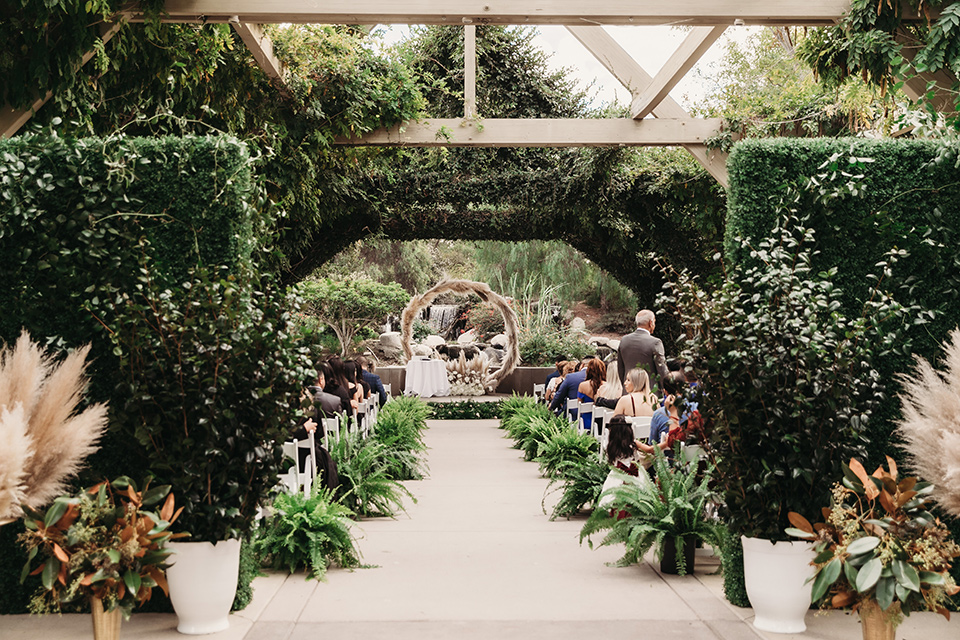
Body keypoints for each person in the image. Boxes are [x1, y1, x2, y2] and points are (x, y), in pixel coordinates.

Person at [638, 372, 695, 461]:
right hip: (696, 463)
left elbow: (653, 444)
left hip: (668, 466)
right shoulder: (696, 409)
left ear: (665, 392)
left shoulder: (659, 414)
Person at [616, 309, 669, 391]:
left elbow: (620, 368)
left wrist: (625, 386)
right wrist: (666, 388)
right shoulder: (655, 342)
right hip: (650, 393)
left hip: (629, 393)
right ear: (650, 323)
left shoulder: (624, 340)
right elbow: (662, 370)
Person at [576, 358, 605, 432]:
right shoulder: (606, 386)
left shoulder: (582, 386)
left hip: (586, 423)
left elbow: (579, 404)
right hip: (602, 423)